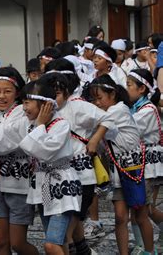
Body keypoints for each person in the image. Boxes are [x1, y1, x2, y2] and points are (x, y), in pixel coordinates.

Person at [0, 77, 81, 254]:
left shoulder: (61, 125)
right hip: (42, 187)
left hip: (62, 188)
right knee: (59, 241)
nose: (24, 108)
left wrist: (40, 125)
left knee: (51, 244)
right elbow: (2, 135)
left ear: (45, 105)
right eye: (23, 102)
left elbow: (42, 151)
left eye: (28, 103)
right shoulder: (29, 123)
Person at [42, 66, 115, 255]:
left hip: (80, 178)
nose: (52, 98)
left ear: (67, 91)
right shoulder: (44, 110)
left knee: (63, 235)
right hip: (55, 179)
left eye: (57, 93)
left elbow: (108, 118)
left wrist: (94, 139)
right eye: (48, 93)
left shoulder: (77, 106)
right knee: (70, 231)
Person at [88, 75, 154, 255]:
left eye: (99, 98)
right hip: (118, 172)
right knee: (119, 217)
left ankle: (150, 251)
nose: (97, 103)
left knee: (141, 216)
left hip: (135, 169)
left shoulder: (119, 109)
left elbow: (100, 122)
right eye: (94, 99)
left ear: (113, 94)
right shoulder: (108, 111)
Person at [0, 68, 38, 255]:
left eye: (7, 91)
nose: (1, 96)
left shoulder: (21, 111)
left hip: (19, 185)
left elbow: (7, 140)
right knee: (1, 242)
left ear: (17, 92)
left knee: (18, 243)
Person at [126, 69, 163, 253]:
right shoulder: (137, 107)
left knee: (142, 209)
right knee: (141, 209)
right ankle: (142, 245)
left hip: (148, 165)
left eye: (129, 85)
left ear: (142, 89)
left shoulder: (146, 110)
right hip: (141, 163)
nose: (126, 89)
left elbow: (129, 130)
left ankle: (145, 248)